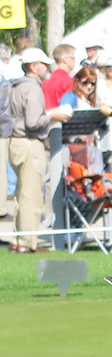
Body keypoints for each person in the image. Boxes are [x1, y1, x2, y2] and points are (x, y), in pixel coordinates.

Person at [7, 48, 73, 253]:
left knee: (22, 195)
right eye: (43, 64)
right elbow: (34, 122)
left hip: (15, 141)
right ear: (33, 66)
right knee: (32, 196)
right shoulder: (33, 88)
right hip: (29, 143)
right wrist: (54, 115)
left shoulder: (15, 86)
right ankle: (27, 243)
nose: (47, 67)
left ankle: (18, 240)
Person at [42, 44, 75, 108]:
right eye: (73, 58)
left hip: (46, 115)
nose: (74, 61)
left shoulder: (46, 80)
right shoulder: (69, 81)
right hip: (61, 116)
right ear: (65, 59)